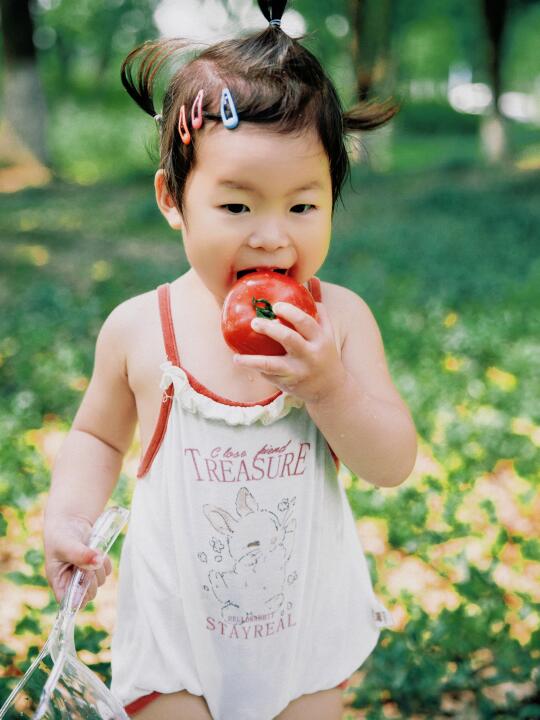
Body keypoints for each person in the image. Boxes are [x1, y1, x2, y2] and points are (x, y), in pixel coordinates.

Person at [43, 2, 417, 718]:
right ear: (173, 199)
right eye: (238, 208)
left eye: (302, 207)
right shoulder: (139, 329)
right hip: (176, 631)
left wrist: (331, 389)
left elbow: (392, 463)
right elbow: (97, 437)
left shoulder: (340, 323)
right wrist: (68, 518)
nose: (272, 237)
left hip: (304, 630)